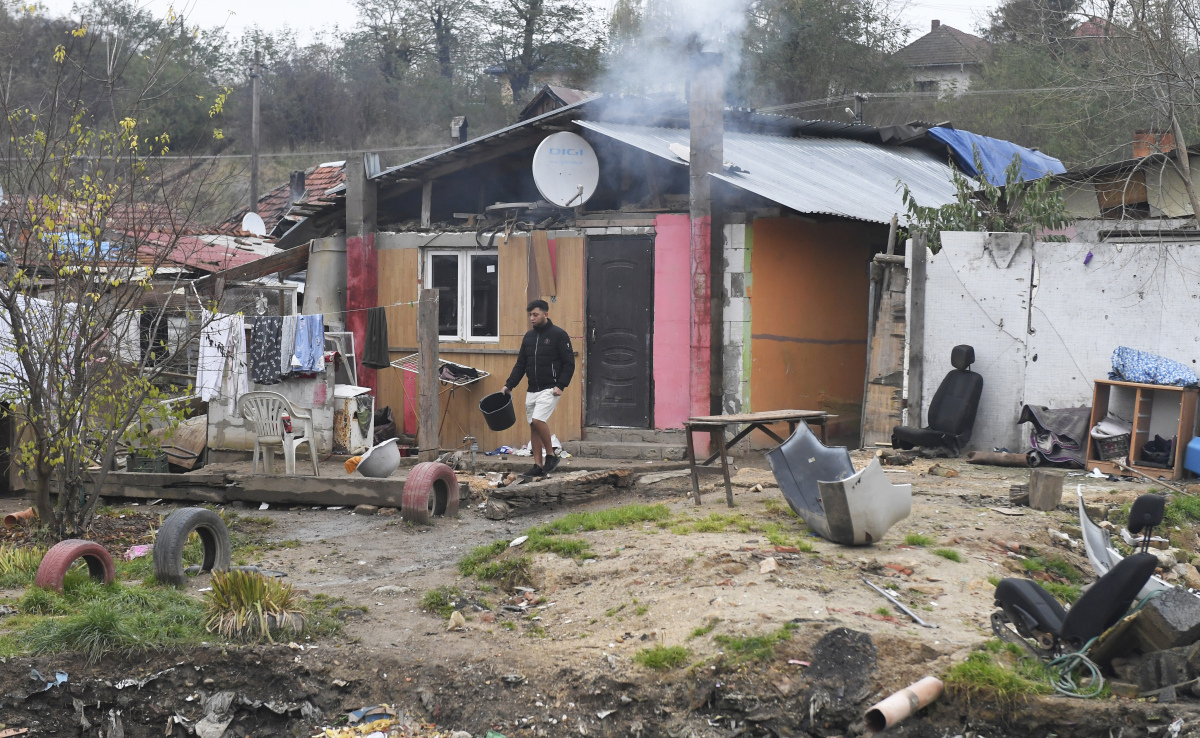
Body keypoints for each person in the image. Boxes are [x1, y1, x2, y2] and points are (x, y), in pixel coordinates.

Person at [503, 300, 574, 477]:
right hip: (532, 388)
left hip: (551, 388)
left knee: (537, 420)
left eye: (535, 314)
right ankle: (538, 466)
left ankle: (551, 455)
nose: (532, 318)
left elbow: (569, 363)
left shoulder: (559, 335)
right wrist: (509, 385)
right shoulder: (528, 337)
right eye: (530, 315)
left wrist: (561, 385)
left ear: (545, 314)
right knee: (533, 426)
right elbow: (521, 364)